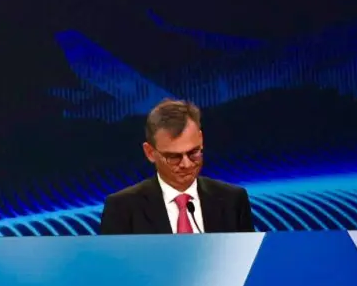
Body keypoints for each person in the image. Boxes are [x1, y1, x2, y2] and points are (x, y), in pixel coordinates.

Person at [98, 99, 256, 235]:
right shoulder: (122, 208)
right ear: (150, 152)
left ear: (201, 139)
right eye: (174, 157)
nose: (186, 164)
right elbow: (112, 269)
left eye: (193, 152)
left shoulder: (233, 200)